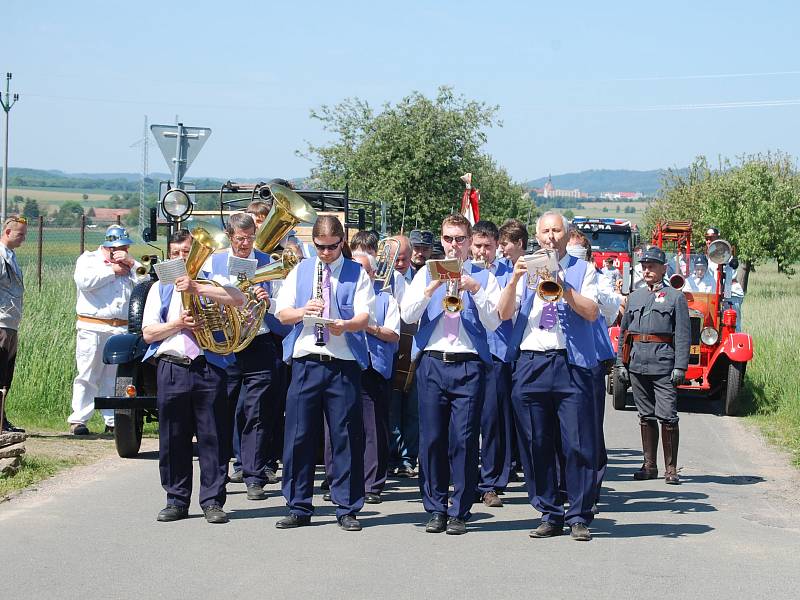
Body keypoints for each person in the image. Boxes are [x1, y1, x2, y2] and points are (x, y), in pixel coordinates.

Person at [497, 211, 600, 542]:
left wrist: (565, 287)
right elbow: (503, 314)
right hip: (531, 361)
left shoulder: (583, 269)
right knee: (535, 442)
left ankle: (579, 514)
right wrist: (513, 280)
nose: (551, 237)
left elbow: (592, 311)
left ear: (566, 235)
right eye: (545, 232)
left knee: (577, 443)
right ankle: (549, 511)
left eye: (557, 231)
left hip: (569, 362)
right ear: (537, 236)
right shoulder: (524, 266)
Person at [400, 214, 501, 535]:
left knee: (464, 439)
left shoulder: (483, 277)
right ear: (440, 241)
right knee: (431, 439)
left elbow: (494, 322)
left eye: (460, 239)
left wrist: (475, 289)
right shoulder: (425, 273)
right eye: (448, 239)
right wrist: (431, 286)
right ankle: (435, 507)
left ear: (470, 242)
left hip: (468, 364)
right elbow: (407, 314)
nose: (454, 245)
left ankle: (460, 509)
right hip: (432, 361)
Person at [274, 215, 374, 531]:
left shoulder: (356, 273)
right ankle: (298, 505)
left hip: (341, 363)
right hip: (306, 361)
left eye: (332, 247)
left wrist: (345, 324)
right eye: (320, 247)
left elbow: (364, 315)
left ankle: (346, 507)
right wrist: (304, 310)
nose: (326, 253)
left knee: (345, 436)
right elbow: (281, 312)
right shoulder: (301, 270)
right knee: (299, 436)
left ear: (342, 242)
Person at [142, 229, 247, 524]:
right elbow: (149, 333)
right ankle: (176, 500)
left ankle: (213, 501)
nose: (180, 258)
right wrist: (177, 323)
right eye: (175, 253)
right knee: (173, 436)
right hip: (173, 365)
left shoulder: (212, 280)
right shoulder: (158, 288)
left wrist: (197, 289)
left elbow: (237, 298)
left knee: (213, 435)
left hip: (208, 365)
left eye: (186, 252)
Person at [202, 212, 286, 499]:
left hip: (259, 341)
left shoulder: (267, 262)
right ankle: (217, 477)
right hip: (224, 346)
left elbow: (283, 305)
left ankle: (254, 476)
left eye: (250, 239)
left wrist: (269, 299)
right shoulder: (212, 262)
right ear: (229, 236)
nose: (245, 245)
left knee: (258, 413)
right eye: (240, 239)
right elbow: (202, 298)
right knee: (220, 412)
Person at [323, 251, 400, 504]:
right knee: (338, 424)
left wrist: (366, 325)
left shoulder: (385, 299)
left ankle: (372, 484)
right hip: (345, 363)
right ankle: (336, 480)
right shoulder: (339, 291)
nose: (359, 275)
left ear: (373, 273)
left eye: (365, 270)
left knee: (373, 427)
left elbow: (394, 334)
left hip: (373, 366)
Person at [616, 246, 690, 485]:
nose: (647, 271)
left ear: (663, 269)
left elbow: (682, 334)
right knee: (645, 416)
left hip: (663, 364)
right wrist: (621, 362)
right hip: (637, 363)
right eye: (644, 267)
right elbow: (624, 332)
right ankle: (649, 465)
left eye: (652, 267)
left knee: (668, 417)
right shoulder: (635, 296)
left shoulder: (675, 297)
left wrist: (680, 366)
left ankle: (671, 468)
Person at [68, 224, 142, 435]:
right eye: (118, 247)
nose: (122, 250)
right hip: (93, 325)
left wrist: (131, 264)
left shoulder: (129, 264)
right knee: (88, 373)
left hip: (120, 327)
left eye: (125, 247)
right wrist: (112, 271)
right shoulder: (89, 260)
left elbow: (145, 281)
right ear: (108, 246)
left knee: (115, 377)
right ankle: (79, 419)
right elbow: (84, 282)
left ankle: (112, 420)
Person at [470, 220, 514, 508]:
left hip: (496, 354)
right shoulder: (459, 272)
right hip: (468, 352)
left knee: (492, 421)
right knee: (465, 422)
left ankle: (490, 483)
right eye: (477, 246)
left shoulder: (509, 273)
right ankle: (464, 477)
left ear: (497, 246)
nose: (482, 252)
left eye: (487, 246)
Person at [0, 215, 27, 433]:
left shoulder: (11, 255)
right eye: (20, 234)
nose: (23, 239)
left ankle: (1, 418)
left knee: (6, 375)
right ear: (7, 232)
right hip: (0, 323)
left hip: (10, 323)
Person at [704, 226, 745, 330]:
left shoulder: (725, 254)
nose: (709, 241)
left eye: (711, 238)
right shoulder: (707, 257)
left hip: (730, 293)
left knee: (732, 324)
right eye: (707, 238)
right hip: (715, 294)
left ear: (717, 239)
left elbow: (730, 268)